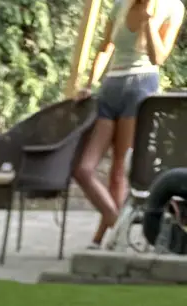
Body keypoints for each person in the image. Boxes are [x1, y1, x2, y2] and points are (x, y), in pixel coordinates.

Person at [73, 0, 185, 246]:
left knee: (119, 172)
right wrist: (88, 84)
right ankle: (117, 224)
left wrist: (147, 21)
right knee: (83, 169)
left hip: (140, 86)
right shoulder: (120, 4)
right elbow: (105, 47)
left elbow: (159, 57)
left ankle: (100, 239)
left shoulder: (172, 7)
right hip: (110, 87)